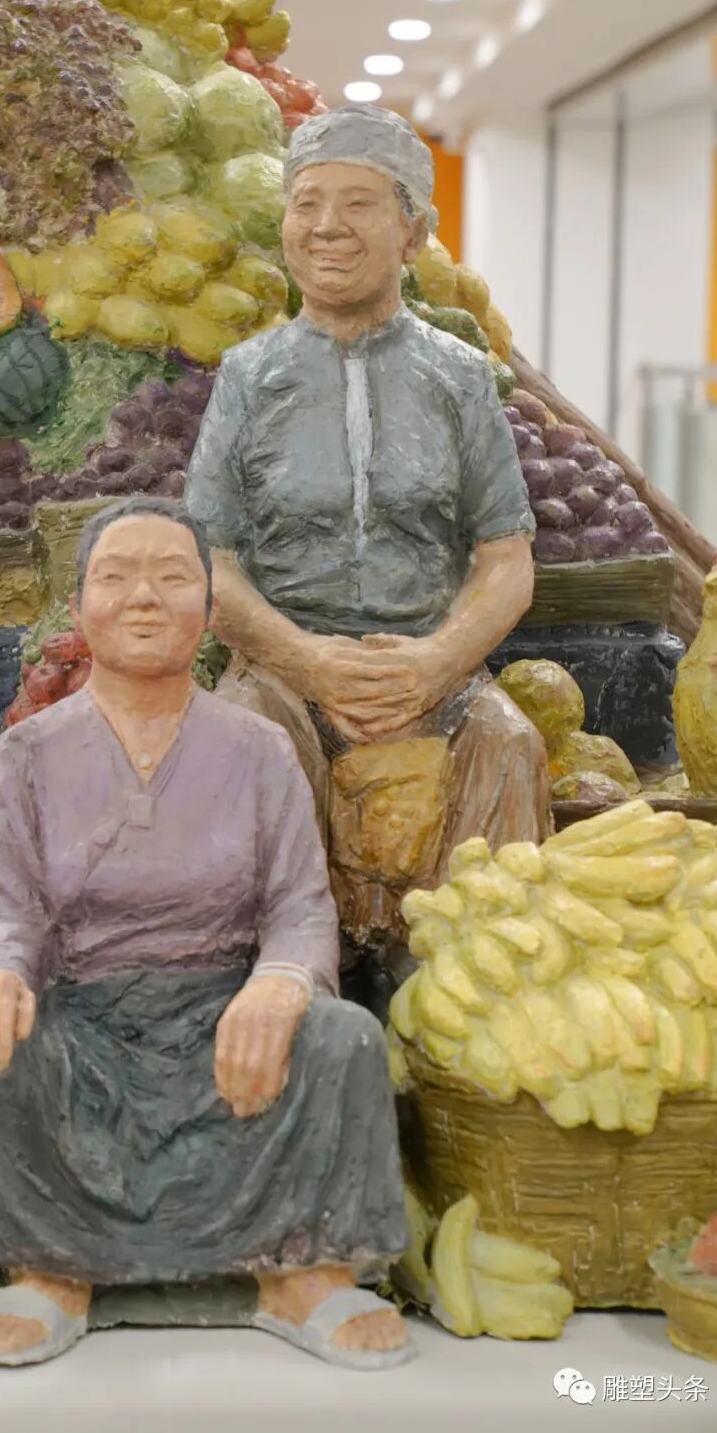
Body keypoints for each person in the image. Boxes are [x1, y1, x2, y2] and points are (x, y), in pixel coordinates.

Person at [0, 497, 412, 1371]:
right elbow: (9, 911)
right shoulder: (29, 754)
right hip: (87, 1023)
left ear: (210, 609)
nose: (144, 596)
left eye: (173, 576)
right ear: (79, 609)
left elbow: (299, 909)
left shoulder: (260, 749)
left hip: (226, 1020)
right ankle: (49, 1266)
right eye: (116, 576)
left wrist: (279, 986)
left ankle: (301, 1267)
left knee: (345, 1040)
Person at [184, 105, 550, 986]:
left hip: (433, 672)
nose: (326, 227)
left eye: (358, 204)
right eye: (307, 204)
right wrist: (306, 660)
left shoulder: (459, 376)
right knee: (245, 742)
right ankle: (283, 997)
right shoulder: (248, 376)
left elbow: (507, 558)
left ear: (413, 230)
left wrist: (436, 663)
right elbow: (209, 564)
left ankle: (470, 1003)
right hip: (284, 673)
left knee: (510, 745)